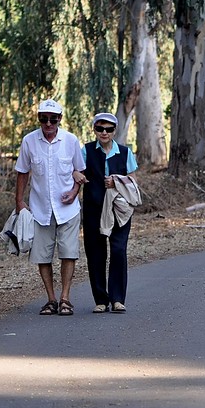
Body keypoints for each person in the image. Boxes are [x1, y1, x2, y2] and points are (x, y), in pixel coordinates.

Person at [15, 99, 85, 316]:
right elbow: (23, 172)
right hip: (40, 208)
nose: (48, 124)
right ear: (39, 119)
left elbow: (80, 172)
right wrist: (19, 201)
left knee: (68, 252)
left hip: (68, 209)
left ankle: (65, 298)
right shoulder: (29, 141)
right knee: (42, 255)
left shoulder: (71, 141)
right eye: (43, 119)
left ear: (59, 119)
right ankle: (51, 299)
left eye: (52, 119)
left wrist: (74, 193)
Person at [75, 112, 139, 314]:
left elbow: (133, 181)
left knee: (119, 250)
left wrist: (117, 181)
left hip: (119, 210)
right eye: (100, 128)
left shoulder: (125, 152)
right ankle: (101, 299)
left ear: (114, 131)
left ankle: (118, 299)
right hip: (94, 209)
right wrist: (76, 174)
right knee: (95, 253)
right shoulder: (85, 151)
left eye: (109, 129)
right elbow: (77, 172)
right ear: (94, 130)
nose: (104, 132)